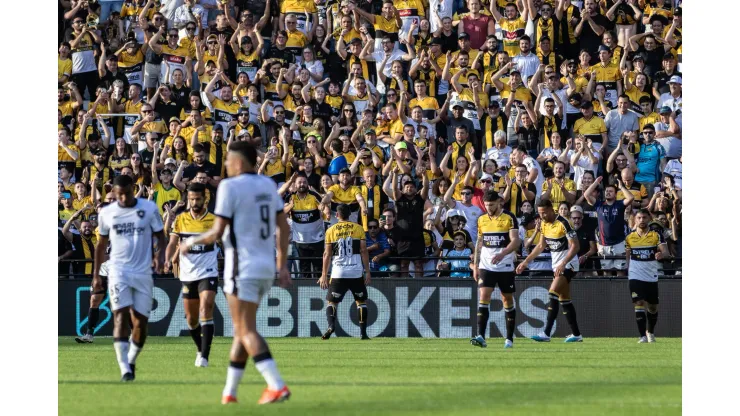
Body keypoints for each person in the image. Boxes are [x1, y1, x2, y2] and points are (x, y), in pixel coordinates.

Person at [179, 141, 292, 405]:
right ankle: (229, 392)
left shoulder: (230, 186)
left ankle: (276, 385)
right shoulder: (267, 185)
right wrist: (283, 264)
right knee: (242, 331)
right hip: (265, 266)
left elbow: (217, 233)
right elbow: (283, 228)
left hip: (241, 267)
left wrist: (190, 242)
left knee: (245, 330)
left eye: (228, 161)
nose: (226, 166)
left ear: (239, 163)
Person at [93, 174, 165, 381]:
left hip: (143, 272)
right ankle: (124, 368)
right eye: (119, 194)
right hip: (118, 271)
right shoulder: (107, 213)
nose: (123, 198)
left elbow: (160, 234)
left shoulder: (149, 208)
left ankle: (131, 359)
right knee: (120, 316)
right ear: (114, 193)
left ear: (134, 189)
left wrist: (160, 256)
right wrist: (96, 275)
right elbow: (100, 245)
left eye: (127, 193)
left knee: (141, 323)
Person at [164, 183, 219, 368]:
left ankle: (204, 355)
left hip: (208, 271)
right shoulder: (180, 219)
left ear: (205, 199)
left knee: (206, 308)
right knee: (191, 319)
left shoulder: (213, 220)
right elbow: (172, 243)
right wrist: (167, 259)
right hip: (188, 274)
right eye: (191, 199)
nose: (194, 202)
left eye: (198, 199)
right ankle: (199, 349)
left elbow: (224, 242)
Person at [516, 200, 583, 343]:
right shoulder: (544, 224)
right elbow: (540, 246)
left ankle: (546, 333)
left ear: (552, 210)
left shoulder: (564, 223)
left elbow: (575, 246)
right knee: (564, 300)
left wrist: (564, 263)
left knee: (552, 293)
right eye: (540, 213)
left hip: (569, 264)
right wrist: (526, 261)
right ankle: (576, 334)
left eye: (544, 212)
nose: (542, 215)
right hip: (557, 265)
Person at [470, 191, 520, 349]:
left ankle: (509, 338)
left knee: (507, 299)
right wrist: (476, 265)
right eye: (486, 205)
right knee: (483, 296)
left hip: (504, 265)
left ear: (499, 202)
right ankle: (481, 336)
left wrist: (502, 253)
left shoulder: (509, 218)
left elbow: (515, 241)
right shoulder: (482, 219)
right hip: (486, 265)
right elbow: (479, 242)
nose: (488, 207)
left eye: (491, 205)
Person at [318, 204, 372, 340]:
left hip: (338, 272)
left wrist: (324, 275)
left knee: (332, 303)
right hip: (356, 271)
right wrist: (368, 271)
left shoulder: (331, 230)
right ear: (350, 215)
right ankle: (363, 333)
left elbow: (327, 254)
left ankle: (331, 326)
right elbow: (364, 250)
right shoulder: (358, 228)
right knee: (361, 301)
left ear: (337, 215)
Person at [625, 209, 670, 343]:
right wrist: (629, 270)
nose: (642, 220)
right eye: (639, 217)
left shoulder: (656, 235)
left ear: (649, 219)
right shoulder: (629, 237)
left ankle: (650, 331)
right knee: (638, 302)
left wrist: (661, 254)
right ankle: (642, 336)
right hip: (635, 274)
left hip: (650, 274)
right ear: (635, 220)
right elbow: (628, 256)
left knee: (652, 306)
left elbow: (666, 252)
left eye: (644, 217)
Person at [583, 176, 634, 276]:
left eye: (611, 191)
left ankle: (620, 292)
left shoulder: (619, 204)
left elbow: (631, 198)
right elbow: (586, 194)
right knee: (607, 273)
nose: (608, 192)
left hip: (619, 243)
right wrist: (595, 183)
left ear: (616, 194)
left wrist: (622, 187)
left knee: (621, 273)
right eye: (606, 191)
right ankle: (610, 292)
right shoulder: (599, 205)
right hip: (604, 244)